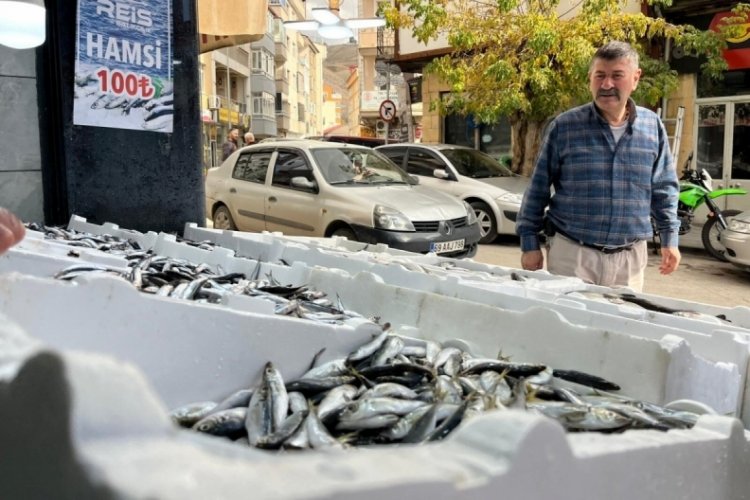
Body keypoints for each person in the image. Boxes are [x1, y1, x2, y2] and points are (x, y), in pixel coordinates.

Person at [515, 41, 681, 292]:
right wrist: (529, 244)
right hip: (573, 256)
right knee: (569, 317)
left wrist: (670, 238)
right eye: (600, 75)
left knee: (622, 318)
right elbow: (538, 187)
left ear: (635, 78)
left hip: (629, 260)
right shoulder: (565, 126)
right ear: (590, 79)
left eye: (617, 75)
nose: (606, 84)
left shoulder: (652, 126)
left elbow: (664, 187)